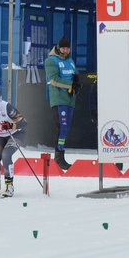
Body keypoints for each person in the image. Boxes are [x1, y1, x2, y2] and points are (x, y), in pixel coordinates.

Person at [45, 36, 79, 170]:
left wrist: (77, 83)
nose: (66, 50)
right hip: (59, 98)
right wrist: (70, 85)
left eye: (67, 48)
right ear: (59, 48)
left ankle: (60, 154)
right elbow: (53, 79)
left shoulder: (70, 61)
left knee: (66, 128)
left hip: (70, 98)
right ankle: (58, 156)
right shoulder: (51, 61)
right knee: (62, 127)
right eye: (63, 48)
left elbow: (74, 74)